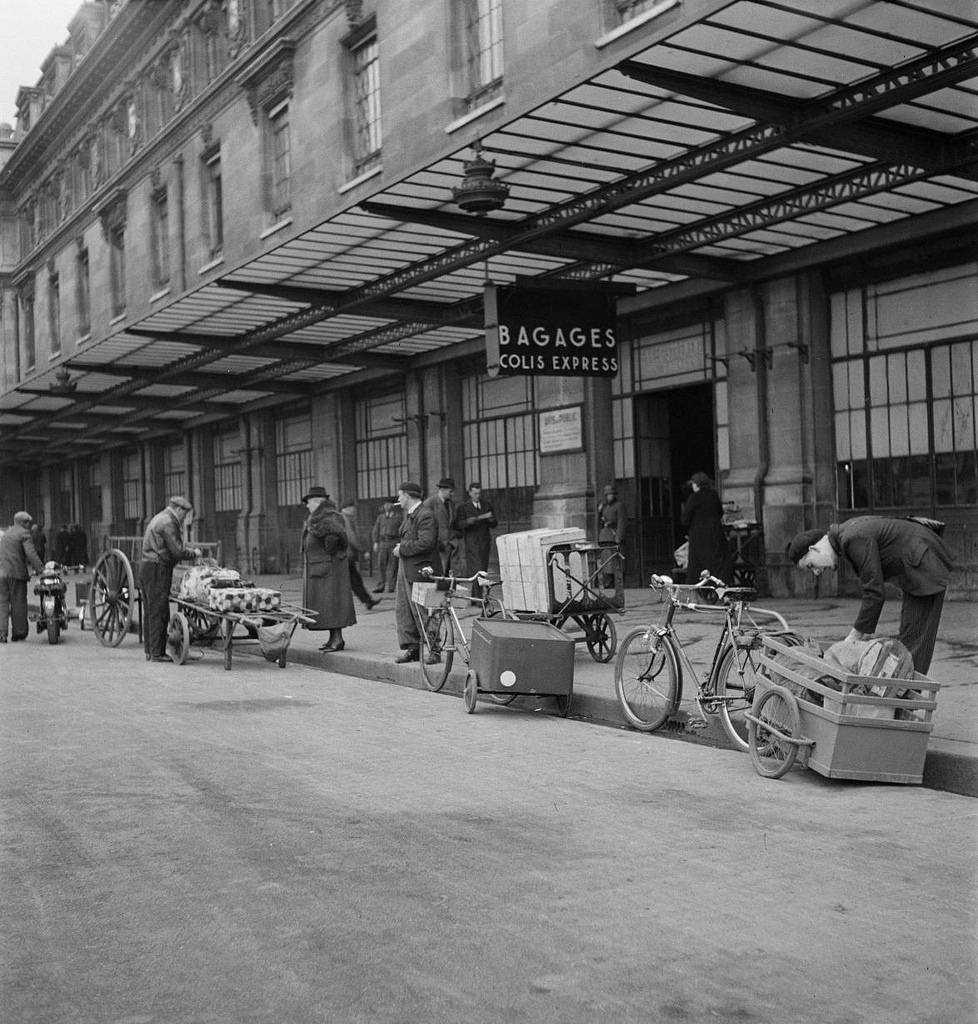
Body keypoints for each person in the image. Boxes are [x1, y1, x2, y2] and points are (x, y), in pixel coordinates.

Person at [787, 516, 954, 674]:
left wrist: (854, 636)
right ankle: (900, 694)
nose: (816, 572)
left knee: (916, 641)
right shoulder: (845, 534)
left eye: (810, 565)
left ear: (814, 548)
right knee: (910, 636)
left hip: (925, 563)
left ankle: (904, 697)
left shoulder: (852, 538)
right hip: (918, 562)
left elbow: (874, 592)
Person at [140, 496, 201, 662]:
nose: (185, 519)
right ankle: (157, 653)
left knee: (150, 611)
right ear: (179, 510)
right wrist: (193, 553)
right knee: (159, 610)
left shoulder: (159, 517)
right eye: (185, 515)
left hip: (147, 567)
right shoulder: (168, 522)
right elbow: (177, 551)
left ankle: (150, 651)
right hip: (157, 568)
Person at [301, 486, 356, 653]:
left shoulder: (328, 516)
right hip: (322, 566)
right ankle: (333, 638)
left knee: (332, 604)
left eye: (309, 502)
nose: (307, 506)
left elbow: (334, 538)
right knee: (328, 605)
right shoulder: (321, 517)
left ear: (318, 502)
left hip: (329, 568)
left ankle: (337, 639)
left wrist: (328, 550)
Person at [392, 481, 438, 664]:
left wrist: (402, 548)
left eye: (400, 495)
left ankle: (435, 650)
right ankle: (412, 648)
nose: (398, 499)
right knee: (404, 610)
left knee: (425, 611)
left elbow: (426, 542)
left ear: (408, 496)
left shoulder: (425, 515)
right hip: (408, 568)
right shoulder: (412, 515)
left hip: (422, 570)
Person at [0, 511, 46, 643]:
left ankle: (2, 634)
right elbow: (31, 554)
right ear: (22, 522)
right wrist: (41, 569)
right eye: (27, 522)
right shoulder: (24, 534)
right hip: (16, 574)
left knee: (2, 603)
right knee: (18, 603)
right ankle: (19, 633)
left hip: (1, 574)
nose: (29, 525)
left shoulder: (7, 534)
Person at [681, 471, 733, 586]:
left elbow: (686, 518)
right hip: (715, 532)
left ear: (696, 484)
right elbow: (720, 512)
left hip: (698, 534)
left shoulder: (694, 497)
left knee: (698, 562)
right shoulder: (713, 495)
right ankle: (719, 583)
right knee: (717, 559)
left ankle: (698, 584)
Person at [339, 498, 380, 611]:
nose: (355, 509)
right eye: (353, 507)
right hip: (346, 556)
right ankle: (366, 601)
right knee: (352, 581)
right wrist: (363, 550)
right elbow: (351, 537)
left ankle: (367, 601)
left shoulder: (346, 518)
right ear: (347, 508)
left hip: (347, 556)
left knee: (355, 581)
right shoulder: (344, 519)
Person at [454, 482, 498, 575]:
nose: (477, 496)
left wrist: (491, 520)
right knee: (475, 568)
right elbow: (457, 525)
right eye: (475, 494)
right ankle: (476, 589)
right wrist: (467, 522)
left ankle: (480, 588)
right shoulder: (463, 507)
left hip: (484, 541)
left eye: (479, 493)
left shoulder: (486, 505)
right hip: (471, 542)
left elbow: (494, 524)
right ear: (469, 493)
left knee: (483, 567)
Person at [423, 477, 459, 576]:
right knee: (438, 575)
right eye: (450, 491)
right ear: (442, 490)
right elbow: (425, 526)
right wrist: (436, 540)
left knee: (451, 577)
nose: (452, 494)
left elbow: (451, 523)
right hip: (437, 547)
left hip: (450, 546)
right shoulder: (429, 503)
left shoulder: (451, 504)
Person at [596, 484, 626, 587]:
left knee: (615, 560)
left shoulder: (619, 505)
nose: (610, 496)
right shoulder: (604, 506)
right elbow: (599, 520)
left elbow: (621, 521)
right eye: (608, 495)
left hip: (613, 534)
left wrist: (619, 536)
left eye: (611, 494)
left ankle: (616, 580)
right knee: (606, 559)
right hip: (605, 535)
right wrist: (599, 511)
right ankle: (607, 579)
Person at [371, 501, 401, 593]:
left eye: (389, 508)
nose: (387, 509)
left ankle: (391, 586)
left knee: (393, 566)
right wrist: (375, 542)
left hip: (393, 542)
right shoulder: (381, 518)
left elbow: (401, 531)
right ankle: (381, 585)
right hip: (383, 542)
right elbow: (376, 529)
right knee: (381, 564)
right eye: (386, 508)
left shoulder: (398, 517)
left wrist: (400, 544)